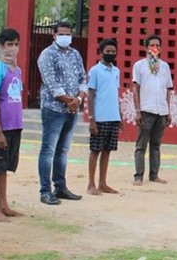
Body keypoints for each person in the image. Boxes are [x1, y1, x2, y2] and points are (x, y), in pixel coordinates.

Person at [37, 21, 87, 205]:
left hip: (72, 109)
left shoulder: (75, 54)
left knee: (63, 151)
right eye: (62, 34)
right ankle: (45, 190)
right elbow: (51, 84)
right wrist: (69, 101)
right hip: (54, 109)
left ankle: (60, 187)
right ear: (54, 35)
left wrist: (78, 100)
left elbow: (83, 77)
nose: (66, 37)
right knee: (48, 150)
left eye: (68, 34)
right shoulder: (47, 55)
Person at [0, 28, 24, 221]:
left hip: (15, 125)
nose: (13, 48)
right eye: (9, 45)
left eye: (16, 44)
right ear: (2, 46)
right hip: (2, 127)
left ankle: (4, 204)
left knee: (5, 166)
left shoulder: (18, 70)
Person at [133, 34, 173, 185]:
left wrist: (168, 111)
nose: (155, 48)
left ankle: (154, 175)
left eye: (157, 45)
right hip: (146, 109)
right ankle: (138, 176)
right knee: (141, 145)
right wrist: (138, 111)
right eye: (152, 45)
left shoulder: (165, 67)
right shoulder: (139, 66)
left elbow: (168, 89)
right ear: (146, 48)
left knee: (156, 145)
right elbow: (135, 88)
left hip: (161, 111)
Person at [87, 38, 123, 195]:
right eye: (107, 52)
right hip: (99, 118)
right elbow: (90, 95)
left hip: (113, 117)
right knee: (95, 150)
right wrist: (91, 118)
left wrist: (119, 115)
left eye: (113, 52)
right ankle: (91, 184)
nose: (110, 54)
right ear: (101, 52)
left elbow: (115, 93)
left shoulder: (116, 71)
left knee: (107, 150)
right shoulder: (95, 71)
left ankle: (103, 183)